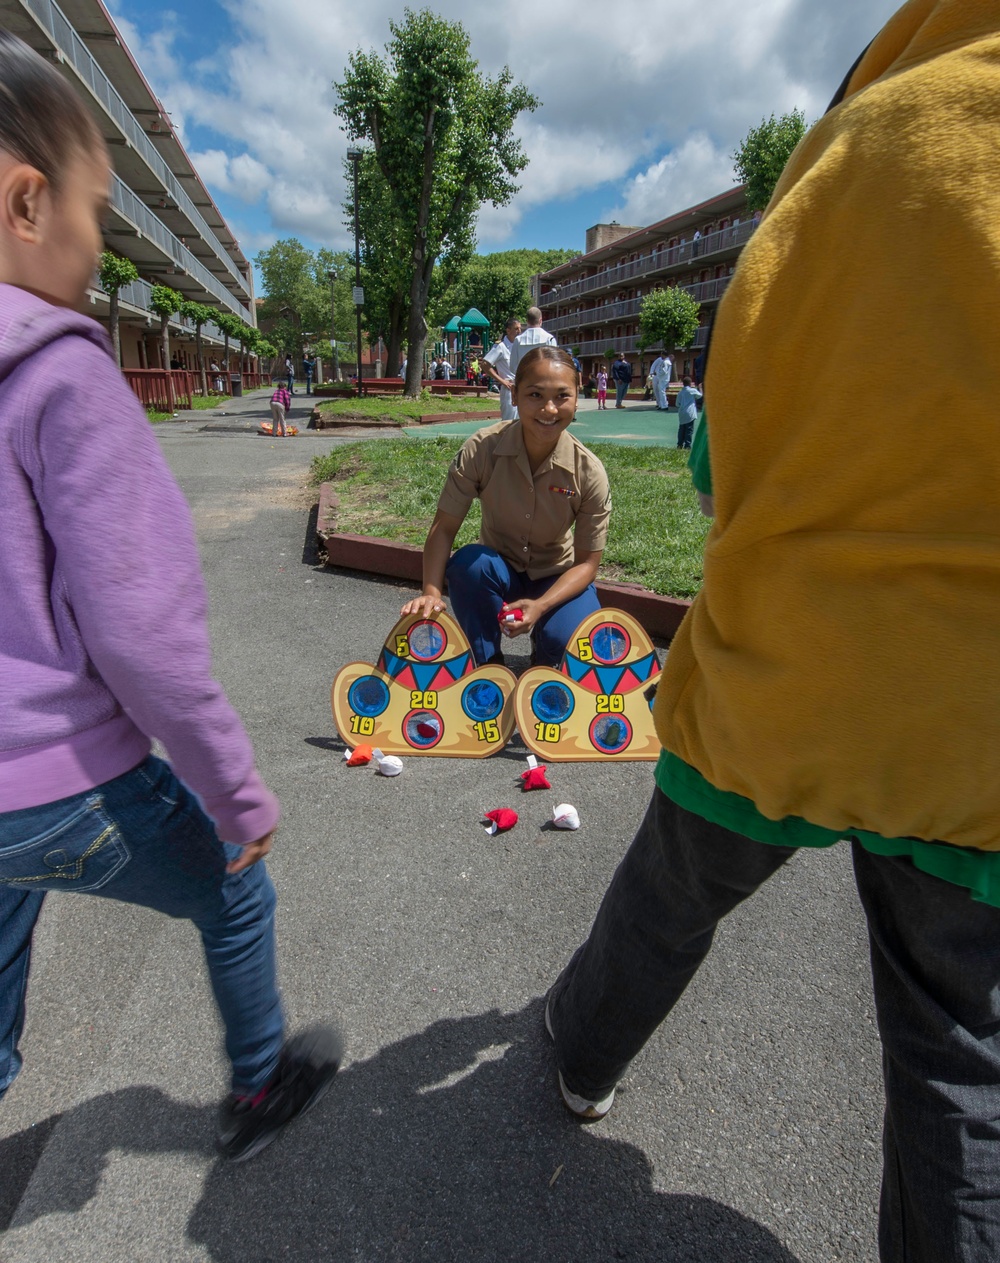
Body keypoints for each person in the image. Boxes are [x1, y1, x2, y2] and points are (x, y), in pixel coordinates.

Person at [545, 6, 1000, 1258]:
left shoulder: (856, 144)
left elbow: (718, 457)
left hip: (786, 663)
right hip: (976, 712)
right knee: (962, 1045)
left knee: (668, 897)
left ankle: (579, 1058)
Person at [0, 32, 340, 1164]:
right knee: (235, 893)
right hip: (58, 778)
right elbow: (142, 637)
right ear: (25, 199)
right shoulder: (64, 373)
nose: (98, 251)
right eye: (97, 214)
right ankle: (257, 1089)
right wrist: (235, 794)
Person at [400, 346, 611, 668]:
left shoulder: (589, 472)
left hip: (556, 577)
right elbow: (443, 528)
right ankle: (487, 666)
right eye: (535, 395)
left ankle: (546, 656)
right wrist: (430, 591)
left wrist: (541, 606)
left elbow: (587, 564)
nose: (549, 409)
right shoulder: (482, 449)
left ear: (577, 397)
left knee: (567, 639)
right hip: (500, 573)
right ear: (514, 395)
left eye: (562, 396)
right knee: (471, 565)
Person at [482, 317, 522, 421]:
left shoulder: (519, 346)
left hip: (521, 388)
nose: (519, 331)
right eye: (516, 329)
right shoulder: (501, 346)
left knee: (521, 423)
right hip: (509, 388)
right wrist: (502, 381)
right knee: (509, 422)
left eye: (520, 329)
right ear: (508, 330)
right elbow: (485, 364)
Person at [507, 306, 556, 380]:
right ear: (540, 320)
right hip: (544, 381)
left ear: (527, 321)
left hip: (525, 381)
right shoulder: (549, 339)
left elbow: (512, 368)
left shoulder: (518, 340)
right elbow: (554, 364)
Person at [674, 375, 701, 448]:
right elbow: (700, 395)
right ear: (690, 383)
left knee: (681, 429)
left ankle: (679, 444)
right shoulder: (692, 391)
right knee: (689, 430)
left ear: (683, 383)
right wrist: (700, 388)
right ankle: (687, 445)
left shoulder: (680, 393)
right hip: (690, 413)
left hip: (682, 413)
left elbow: (677, 404)